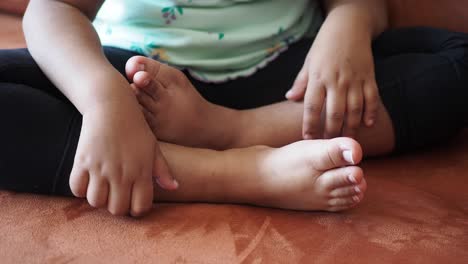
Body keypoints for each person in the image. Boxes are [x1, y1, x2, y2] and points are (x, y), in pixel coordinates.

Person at [0, 0, 467, 217]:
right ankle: (243, 173)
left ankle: (230, 132)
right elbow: (53, 7)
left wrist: (349, 25)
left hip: (287, 82)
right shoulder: (118, 88)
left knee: (458, 62)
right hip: (139, 83)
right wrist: (101, 97)